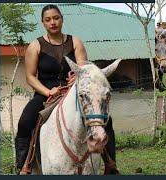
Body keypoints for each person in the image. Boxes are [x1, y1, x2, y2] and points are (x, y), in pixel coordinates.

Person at [14, 4, 117, 174]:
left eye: (56, 18)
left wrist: (74, 81)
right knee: (25, 120)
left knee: (107, 120)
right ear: (43, 22)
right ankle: (24, 165)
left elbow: (83, 71)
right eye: (48, 20)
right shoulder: (36, 45)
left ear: (62, 19)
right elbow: (30, 76)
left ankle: (110, 164)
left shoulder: (75, 41)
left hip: (72, 90)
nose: (52, 22)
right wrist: (48, 91)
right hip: (45, 93)